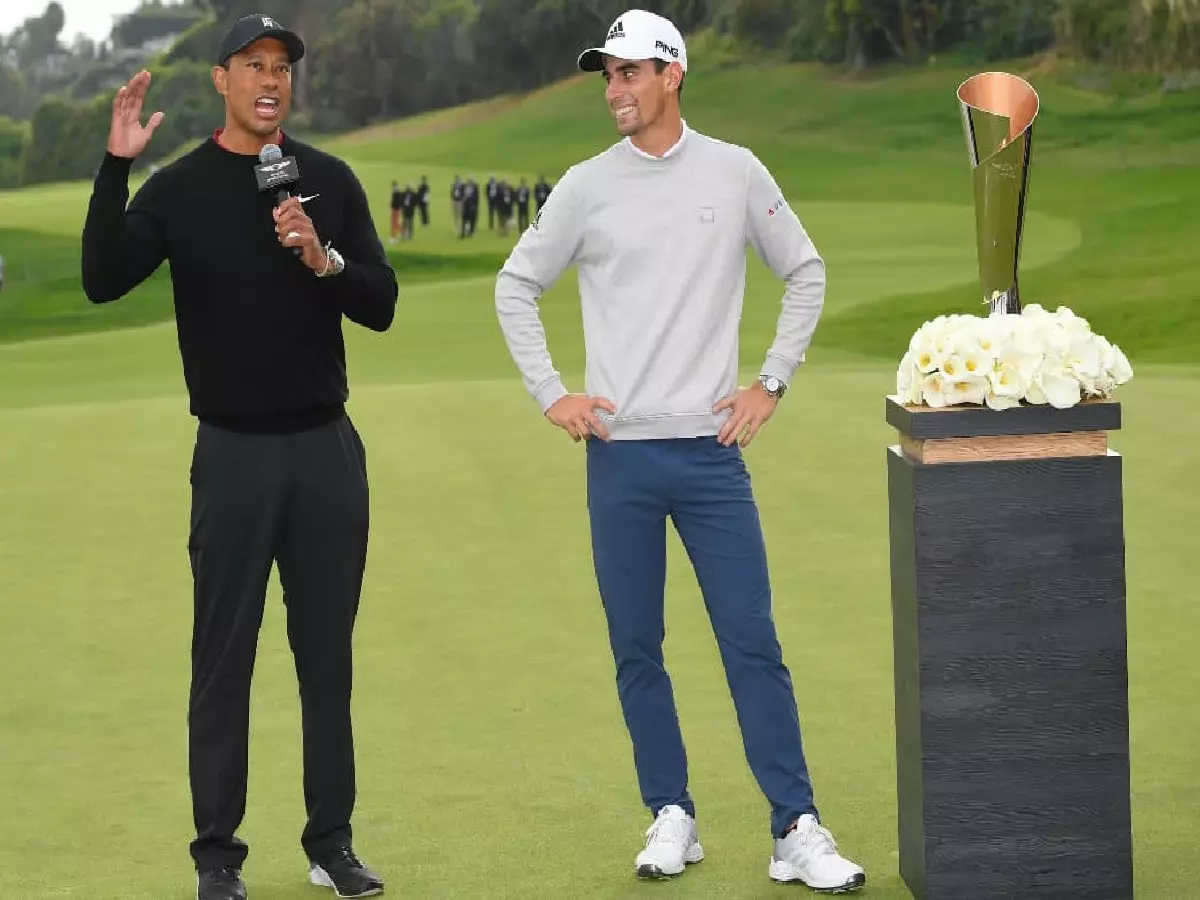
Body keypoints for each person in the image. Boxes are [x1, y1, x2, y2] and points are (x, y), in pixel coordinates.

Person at [494, 9, 865, 894]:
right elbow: (516, 284)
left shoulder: (733, 172)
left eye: (629, 72)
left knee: (751, 641)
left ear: (672, 75)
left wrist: (770, 382)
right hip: (618, 457)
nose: (615, 89)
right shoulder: (586, 185)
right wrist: (554, 394)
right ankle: (671, 813)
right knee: (637, 645)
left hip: (709, 457)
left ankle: (794, 827)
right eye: (607, 75)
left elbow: (805, 270)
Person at [79, 14, 395, 900]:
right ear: (221, 79)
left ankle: (331, 843)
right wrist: (117, 164)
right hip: (233, 455)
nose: (271, 79)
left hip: (326, 451)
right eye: (253, 64)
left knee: (326, 657)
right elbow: (103, 276)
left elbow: (381, 302)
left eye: (282, 66)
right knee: (224, 659)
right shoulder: (179, 190)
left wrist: (322, 258)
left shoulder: (325, 181)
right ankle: (218, 858)